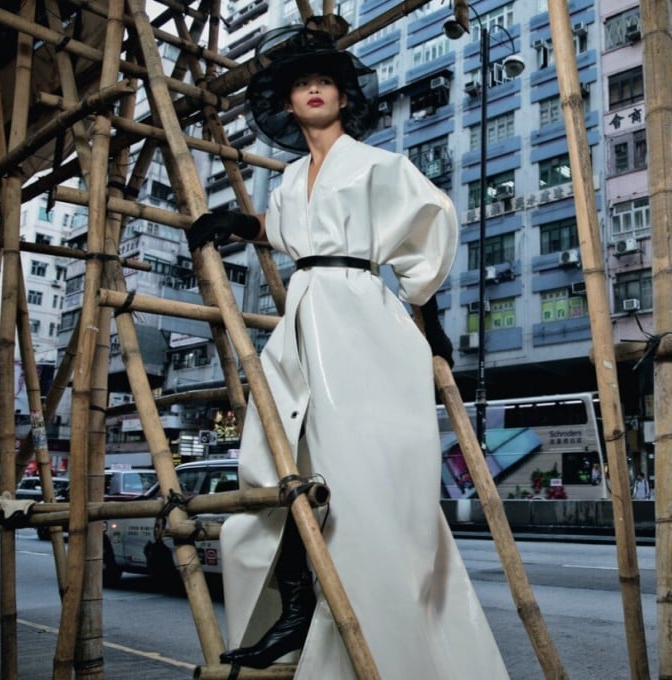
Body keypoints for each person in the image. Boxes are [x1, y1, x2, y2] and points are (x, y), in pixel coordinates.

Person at [188, 25, 507, 679]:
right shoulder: (286, 178)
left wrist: (431, 320)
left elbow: (426, 232)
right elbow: (280, 231)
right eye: (301, 82)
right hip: (303, 320)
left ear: (343, 95)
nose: (312, 89)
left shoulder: (380, 166)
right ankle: (297, 610)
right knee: (276, 466)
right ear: (287, 101)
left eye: (324, 80)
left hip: (362, 318)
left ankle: (371, 622)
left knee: (364, 482)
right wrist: (236, 224)